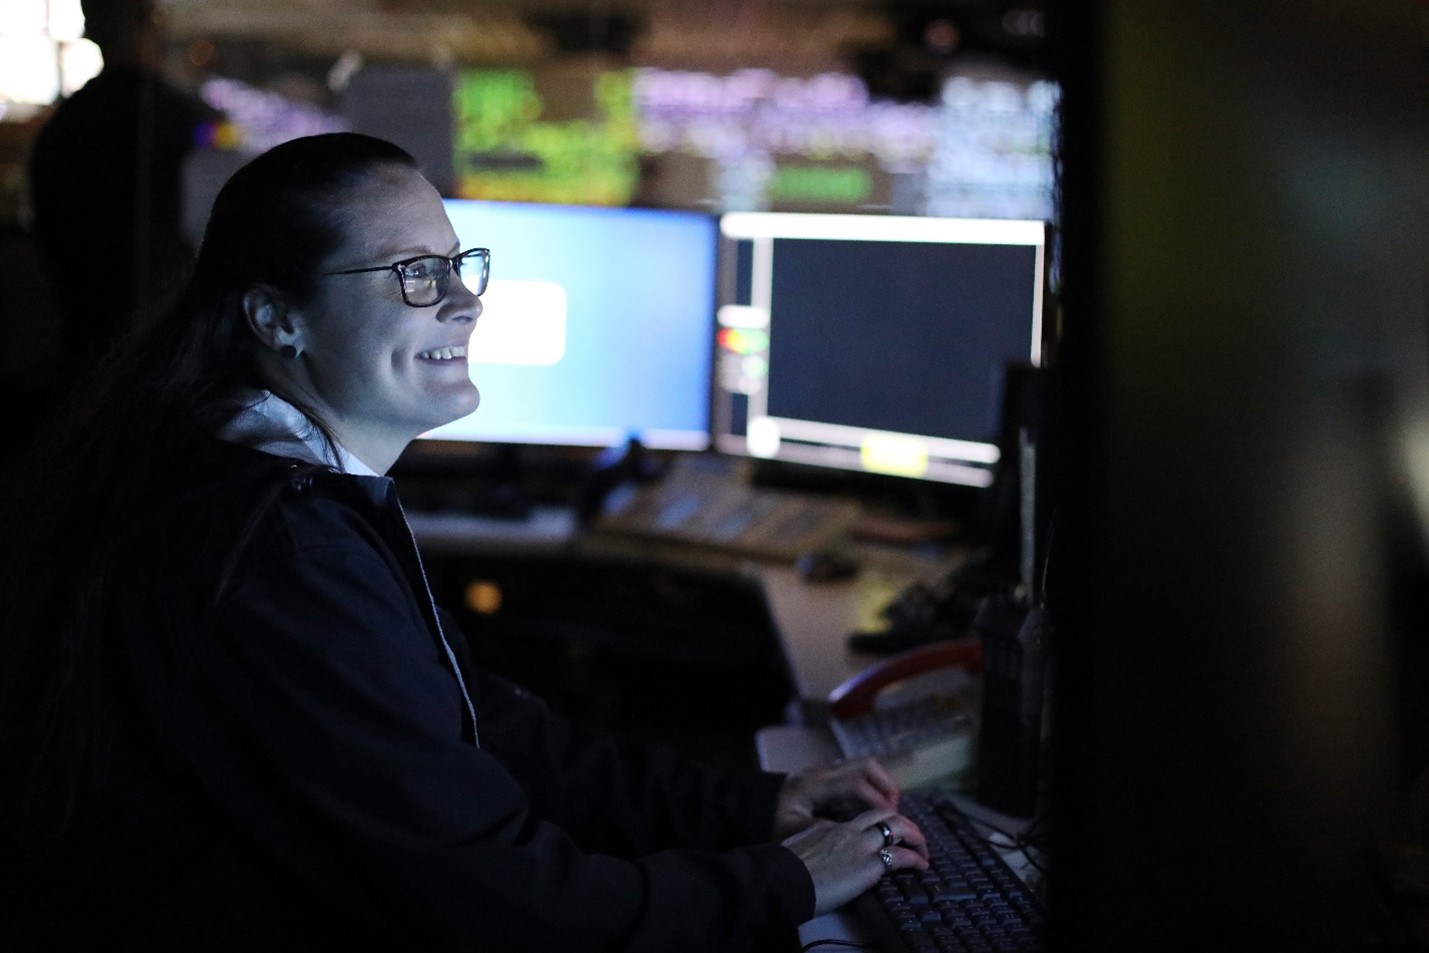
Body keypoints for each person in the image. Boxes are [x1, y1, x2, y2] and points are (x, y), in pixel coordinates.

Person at [0, 132, 927, 952]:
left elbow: (485, 731)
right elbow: (515, 907)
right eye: (412, 274)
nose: (464, 303)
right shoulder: (279, 550)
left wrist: (754, 805)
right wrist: (791, 878)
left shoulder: (279, 487)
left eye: (459, 264)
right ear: (276, 318)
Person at [27, 0, 217, 373]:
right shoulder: (170, 115)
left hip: (83, 327)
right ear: (140, 27)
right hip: (162, 329)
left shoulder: (67, 123)